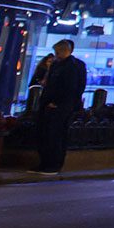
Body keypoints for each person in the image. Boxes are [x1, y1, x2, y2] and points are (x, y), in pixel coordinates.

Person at [36, 39, 87, 174]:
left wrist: (58, 102)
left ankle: (53, 164)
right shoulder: (57, 65)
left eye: (58, 52)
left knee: (56, 135)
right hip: (50, 104)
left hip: (61, 107)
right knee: (46, 134)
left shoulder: (73, 66)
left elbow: (72, 88)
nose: (56, 55)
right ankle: (45, 162)